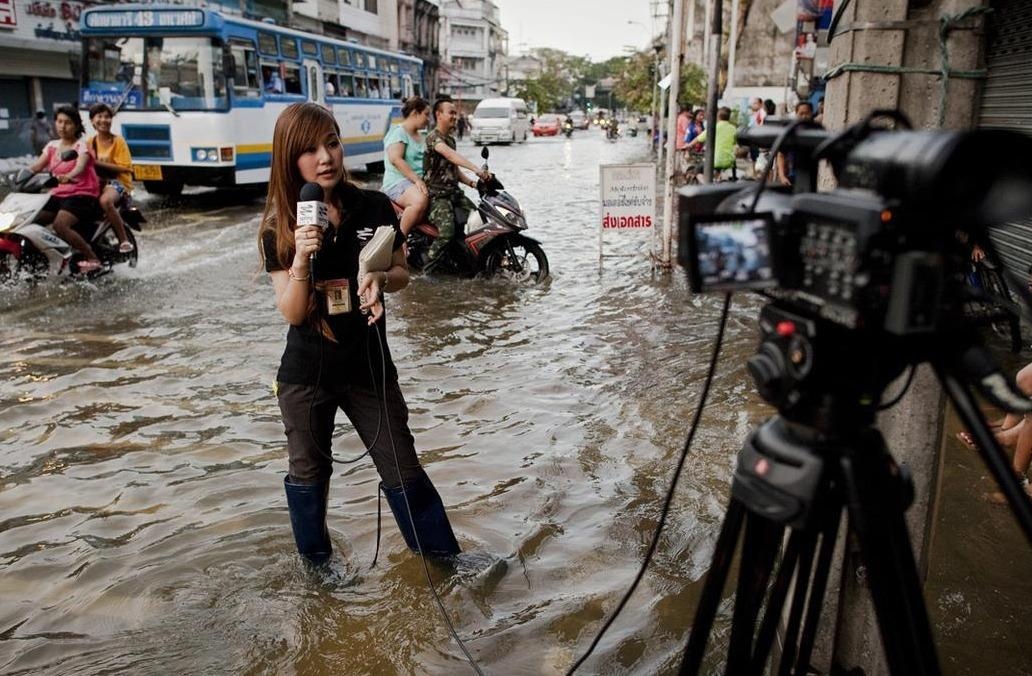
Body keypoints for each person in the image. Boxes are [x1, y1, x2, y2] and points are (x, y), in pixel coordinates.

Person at [258, 102, 461, 565]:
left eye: (331, 142)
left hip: (369, 365)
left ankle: (445, 563)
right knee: (308, 475)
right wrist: (301, 260)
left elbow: (402, 272)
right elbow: (291, 312)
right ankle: (318, 570)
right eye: (309, 150)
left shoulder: (372, 205)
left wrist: (379, 281)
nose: (325, 157)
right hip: (305, 375)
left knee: (402, 467)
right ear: (290, 160)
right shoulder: (279, 228)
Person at [26, 105, 103, 272]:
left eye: (67, 122)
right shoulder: (52, 146)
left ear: (76, 125)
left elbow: (80, 166)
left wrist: (69, 175)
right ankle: (38, 261)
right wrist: (21, 175)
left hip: (82, 194)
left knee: (60, 225)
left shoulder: (81, 146)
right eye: (59, 121)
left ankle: (92, 258)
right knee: (29, 221)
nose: (62, 126)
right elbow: (37, 167)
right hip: (58, 195)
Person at [423, 97, 491, 270]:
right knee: (447, 233)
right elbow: (450, 156)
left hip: (454, 194)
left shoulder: (451, 140)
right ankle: (427, 269)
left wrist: (474, 183)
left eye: (455, 113)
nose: (455, 116)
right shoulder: (433, 138)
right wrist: (476, 169)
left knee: (480, 221)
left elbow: (453, 169)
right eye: (451, 112)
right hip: (437, 196)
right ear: (438, 114)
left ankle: (470, 262)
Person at [87, 103, 134, 253]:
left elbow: (126, 168)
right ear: (92, 121)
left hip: (118, 183)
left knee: (105, 201)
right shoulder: (89, 143)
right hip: (96, 183)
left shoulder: (118, 141)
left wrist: (97, 163)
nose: (103, 120)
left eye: (107, 116)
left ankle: (123, 240)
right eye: (99, 116)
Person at [381, 96, 431, 235]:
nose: (428, 119)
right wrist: (417, 180)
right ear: (415, 113)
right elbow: (396, 159)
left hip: (417, 183)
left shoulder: (423, 135)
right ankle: (400, 240)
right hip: (398, 182)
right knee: (419, 201)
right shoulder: (398, 133)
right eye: (426, 114)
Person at [690, 106, 738, 180]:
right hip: (729, 162)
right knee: (717, 170)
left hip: (715, 161)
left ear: (718, 117)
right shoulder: (733, 128)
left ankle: (707, 186)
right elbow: (735, 143)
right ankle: (717, 180)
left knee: (697, 170)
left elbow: (699, 138)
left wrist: (688, 145)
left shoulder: (714, 127)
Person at [776, 101, 815, 187]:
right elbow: (781, 155)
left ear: (812, 113)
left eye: (807, 113)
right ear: (796, 114)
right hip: (792, 177)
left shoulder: (817, 132)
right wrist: (782, 176)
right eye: (801, 113)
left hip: (812, 179)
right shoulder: (791, 132)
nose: (804, 116)